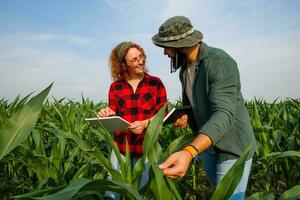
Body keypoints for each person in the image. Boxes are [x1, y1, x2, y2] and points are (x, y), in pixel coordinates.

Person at [152, 16, 257, 199]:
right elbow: (194, 105)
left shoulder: (219, 62)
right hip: (207, 147)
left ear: (180, 45)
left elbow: (223, 114)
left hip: (231, 147)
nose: (165, 53)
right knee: (218, 193)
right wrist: (185, 115)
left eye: (166, 47)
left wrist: (188, 152)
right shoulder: (185, 71)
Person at [97, 41, 167, 199]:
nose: (140, 61)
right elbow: (113, 111)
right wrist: (106, 113)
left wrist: (145, 123)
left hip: (148, 149)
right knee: (113, 191)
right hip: (121, 148)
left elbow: (163, 114)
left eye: (141, 57)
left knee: (143, 193)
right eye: (134, 59)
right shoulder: (116, 87)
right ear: (123, 64)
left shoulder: (155, 83)